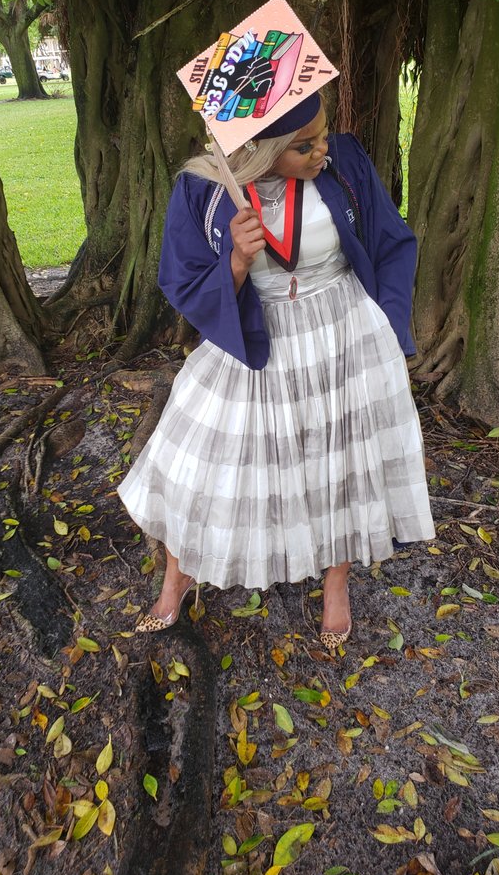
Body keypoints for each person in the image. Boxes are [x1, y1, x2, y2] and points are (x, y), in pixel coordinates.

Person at [117, 91, 435, 652]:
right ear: (260, 149)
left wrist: (387, 328)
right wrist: (237, 261)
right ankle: (178, 576)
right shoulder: (204, 191)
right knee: (204, 466)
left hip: (342, 334)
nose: (322, 151)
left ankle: (336, 583)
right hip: (255, 336)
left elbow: (391, 243)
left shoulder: (345, 164)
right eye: (303, 146)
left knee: (342, 462)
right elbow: (182, 279)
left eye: (323, 134)